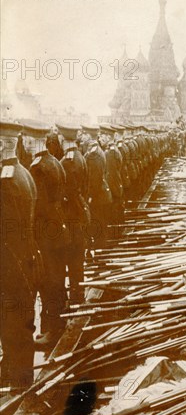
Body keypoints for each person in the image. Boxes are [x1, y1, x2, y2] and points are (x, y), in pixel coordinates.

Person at [0, 121, 38, 390]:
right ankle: (14, 375)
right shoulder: (22, 172)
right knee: (17, 320)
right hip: (25, 258)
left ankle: (20, 386)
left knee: (13, 324)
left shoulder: (6, 181)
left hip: (11, 264)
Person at [24, 121, 68, 346]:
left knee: (48, 282)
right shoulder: (54, 162)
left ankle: (52, 331)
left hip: (45, 235)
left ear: (33, 140)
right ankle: (56, 326)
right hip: (57, 231)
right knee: (57, 280)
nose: (25, 142)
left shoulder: (38, 168)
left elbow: (38, 208)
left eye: (27, 139)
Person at [57, 124, 90, 304]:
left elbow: (65, 195)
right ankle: (79, 295)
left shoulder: (66, 163)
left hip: (71, 217)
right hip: (80, 213)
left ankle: (76, 298)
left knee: (71, 258)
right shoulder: (80, 157)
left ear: (62, 140)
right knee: (78, 260)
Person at [82, 124, 112, 249]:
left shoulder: (94, 155)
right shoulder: (95, 151)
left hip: (98, 196)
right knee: (100, 223)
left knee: (98, 223)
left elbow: (95, 180)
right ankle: (101, 248)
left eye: (84, 134)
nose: (82, 136)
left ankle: (101, 252)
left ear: (89, 136)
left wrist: (89, 197)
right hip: (100, 194)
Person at [99, 124, 124, 241]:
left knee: (113, 214)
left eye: (102, 137)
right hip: (116, 186)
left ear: (108, 137)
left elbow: (110, 174)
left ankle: (114, 238)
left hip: (112, 188)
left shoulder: (109, 153)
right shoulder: (112, 151)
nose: (100, 139)